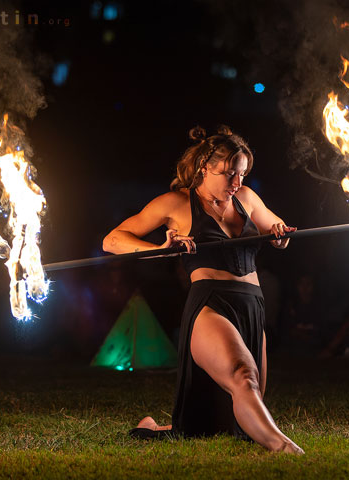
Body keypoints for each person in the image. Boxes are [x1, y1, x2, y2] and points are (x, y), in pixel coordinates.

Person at [102, 126, 304, 454]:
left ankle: (153, 425)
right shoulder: (177, 202)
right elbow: (112, 240)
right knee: (243, 377)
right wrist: (160, 249)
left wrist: (280, 234)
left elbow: (281, 236)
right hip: (212, 303)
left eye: (242, 174)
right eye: (229, 174)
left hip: (252, 305)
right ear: (204, 168)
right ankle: (284, 449)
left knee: (229, 415)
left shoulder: (247, 198)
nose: (236, 182)